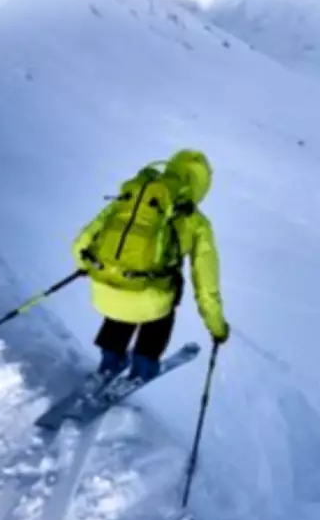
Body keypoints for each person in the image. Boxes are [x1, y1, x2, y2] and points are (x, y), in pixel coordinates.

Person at [73, 149, 230, 381]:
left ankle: (110, 360)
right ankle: (144, 363)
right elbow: (206, 284)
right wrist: (217, 328)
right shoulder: (197, 222)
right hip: (151, 304)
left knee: (126, 281)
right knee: (164, 290)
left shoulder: (134, 198)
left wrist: (91, 268)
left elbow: (81, 243)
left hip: (103, 293)